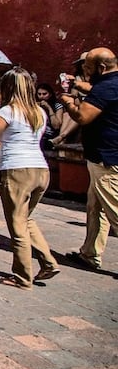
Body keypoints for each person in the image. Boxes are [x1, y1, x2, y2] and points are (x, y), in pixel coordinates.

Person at [0, 68, 58, 289]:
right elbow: (21, 138)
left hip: (16, 171)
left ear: (7, 87)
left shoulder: (8, 112)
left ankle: (22, 277)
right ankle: (48, 262)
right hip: (40, 169)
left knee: (17, 226)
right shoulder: (39, 112)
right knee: (26, 219)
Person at [59, 47, 118, 270]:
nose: (86, 71)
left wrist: (68, 102)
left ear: (101, 68)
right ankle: (90, 254)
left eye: (89, 68)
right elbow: (96, 91)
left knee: (114, 210)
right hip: (104, 156)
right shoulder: (111, 84)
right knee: (96, 208)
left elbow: (83, 116)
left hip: (107, 159)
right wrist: (79, 85)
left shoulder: (105, 88)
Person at [36, 82, 65, 149]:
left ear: (50, 94)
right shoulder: (35, 106)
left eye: (44, 94)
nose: (41, 96)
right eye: (39, 94)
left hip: (50, 136)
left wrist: (49, 108)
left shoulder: (57, 106)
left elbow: (56, 126)